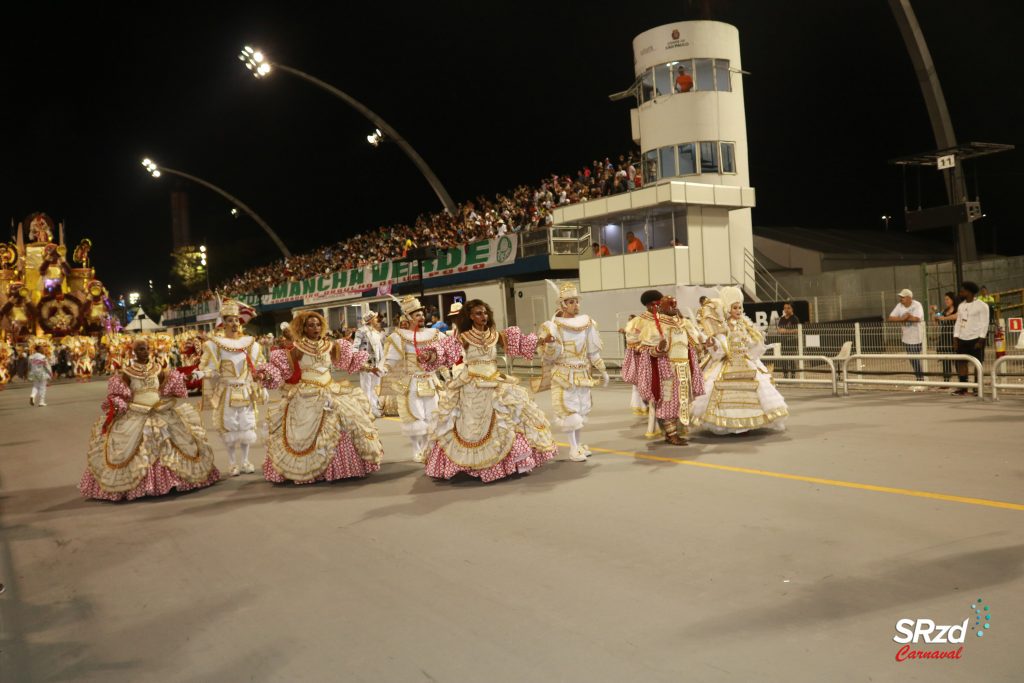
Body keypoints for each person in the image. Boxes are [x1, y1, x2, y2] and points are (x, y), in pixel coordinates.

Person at [425, 299, 557, 482]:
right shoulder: (463, 337)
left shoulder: (495, 335)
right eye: (478, 313)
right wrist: (429, 355)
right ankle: (474, 465)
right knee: (470, 426)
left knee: (509, 419)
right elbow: (445, 353)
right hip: (472, 386)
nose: (483, 317)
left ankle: (508, 464)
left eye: (485, 313)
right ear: (470, 317)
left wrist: (542, 340)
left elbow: (520, 345)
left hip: (495, 382)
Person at [79, 337, 220, 501]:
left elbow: (167, 386)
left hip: (160, 410)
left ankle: (173, 481)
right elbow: (118, 394)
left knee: (178, 441)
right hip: (137, 413)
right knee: (132, 449)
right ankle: (145, 485)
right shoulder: (127, 373)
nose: (144, 352)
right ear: (134, 352)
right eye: (140, 349)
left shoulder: (158, 369)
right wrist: (119, 404)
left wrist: (187, 378)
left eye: (146, 348)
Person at [260, 310, 383, 483]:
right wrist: (264, 376)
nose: (315, 328)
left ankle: (344, 467)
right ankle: (310, 470)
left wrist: (369, 368)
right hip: (306, 394)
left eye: (318, 324)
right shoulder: (298, 349)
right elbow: (281, 370)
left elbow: (347, 362)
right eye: (311, 325)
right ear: (303, 328)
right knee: (302, 434)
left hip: (330, 388)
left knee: (348, 420)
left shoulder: (330, 345)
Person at [692, 287, 788, 434]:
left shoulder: (745, 323)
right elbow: (721, 346)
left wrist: (751, 342)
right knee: (723, 393)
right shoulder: (723, 325)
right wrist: (714, 344)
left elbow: (753, 345)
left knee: (754, 389)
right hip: (728, 362)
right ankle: (727, 425)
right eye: (734, 307)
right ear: (728, 309)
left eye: (740, 307)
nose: (738, 310)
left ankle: (746, 424)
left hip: (746, 361)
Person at [535, 281, 609, 462]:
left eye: (576, 301)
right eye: (571, 302)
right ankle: (573, 448)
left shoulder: (587, 322)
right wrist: (551, 344)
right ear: (562, 304)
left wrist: (603, 370)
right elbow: (549, 356)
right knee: (569, 411)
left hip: (583, 374)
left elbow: (592, 350)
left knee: (582, 410)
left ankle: (578, 444)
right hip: (563, 375)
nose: (576, 305)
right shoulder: (552, 327)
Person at [379, 296, 459, 462]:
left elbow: (444, 356)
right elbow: (391, 360)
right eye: (417, 315)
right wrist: (382, 370)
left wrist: (447, 376)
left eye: (422, 314)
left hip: (430, 381)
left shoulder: (434, 334)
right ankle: (417, 450)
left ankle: (430, 450)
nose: (421, 317)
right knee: (415, 418)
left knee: (433, 416)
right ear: (408, 317)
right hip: (411, 383)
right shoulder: (399, 336)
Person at [622, 290, 706, 445]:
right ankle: (670, 432)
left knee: (681, 399)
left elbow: (693, 344)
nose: (672, 307)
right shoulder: (649, 324)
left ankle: (674, 430)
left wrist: (703, 345)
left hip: (682, 368)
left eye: (674, 305)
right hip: (661, 368)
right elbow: (641, 346)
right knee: (665, 400)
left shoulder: (683, 323)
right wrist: (655, 352)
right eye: (666, 304)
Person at [195, 298, 265, 476]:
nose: (234, 323)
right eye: (230, 320)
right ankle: (232, 462)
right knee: (229, 427)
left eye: (236, 320)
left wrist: (262, 383)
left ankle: (246, 460)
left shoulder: (251, 345)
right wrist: (201, 374)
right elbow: (210, 369)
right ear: (223, 324)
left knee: (246, 426)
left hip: (245, 391)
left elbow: (259, 368)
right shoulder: (215, 345)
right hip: (226, 392)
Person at [952, 281, 990, 396]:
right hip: (962, 339)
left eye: (962, 290)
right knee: (961, 363)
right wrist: (955, 338)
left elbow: (985, 323)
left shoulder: (982, 306)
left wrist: (981, 339)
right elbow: (958, 322)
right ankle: (963, 388)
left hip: (976, 339)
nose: (960, 292)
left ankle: (977, 388)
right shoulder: (961, 305)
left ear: (969, 292)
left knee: (977, 364)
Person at [887, 288, 925, 386]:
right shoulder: (899, 306)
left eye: (903, 297)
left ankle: (920, 379)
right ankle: (920, 379)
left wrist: (907, 317)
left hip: (917, 337)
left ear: (909, 298)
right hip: (906, 338)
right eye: (900, 297)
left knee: (915, 358)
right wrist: (903, 318)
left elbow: (917, 318)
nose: (901, 299)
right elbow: (890, 318)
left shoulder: (917, 305)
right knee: (912, 359)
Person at [353, 311, 385, 416]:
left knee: (375, 387)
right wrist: (359, 363)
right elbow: (355, 348)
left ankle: (375, 408)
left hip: (376, 365)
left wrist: (382, 363)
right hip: (366, 365)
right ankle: (367, 410)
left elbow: (380, 349)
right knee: (366, 388)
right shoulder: (361, 331)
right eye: (375, 318)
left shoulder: (376, 332)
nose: (377, 320)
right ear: (370, 320)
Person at [930, 291, 958, 382]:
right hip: (945, 338)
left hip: (955, 338)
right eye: (945, 299)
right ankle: (946, 380)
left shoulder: (957, 309)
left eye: (947, 299)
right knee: (946, 360)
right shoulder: (944, 311)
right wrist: (934, 313)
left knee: (957, 360)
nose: (946, 301)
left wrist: (944, 318)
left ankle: (962, 381)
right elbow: (937, 319)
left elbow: (956, 316)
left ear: (952, 299)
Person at [776, 302, 800, 379]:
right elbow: (779, 330)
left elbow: (797, 330)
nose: (786, 310)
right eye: (785, 308)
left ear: (792, 309)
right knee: (784, 360)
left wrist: (786, 331)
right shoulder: (782, 319)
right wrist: (781, 331)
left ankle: (793, 376)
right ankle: (785, 375)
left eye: (788, 308)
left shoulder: (795, 319)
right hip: (784, 343)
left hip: (792, 342)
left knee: (792, 360)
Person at [28, 341, 53, 406]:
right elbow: (47, 366)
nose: (43, 349)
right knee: (43, 387)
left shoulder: (31, 357)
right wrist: (50, 373)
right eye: (42, 348)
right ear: (38, 349)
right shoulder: (42, 357)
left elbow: (29, 366)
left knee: (35, 386)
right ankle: (41, 402)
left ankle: (32, 396)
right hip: (42, 373)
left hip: (34, 373)